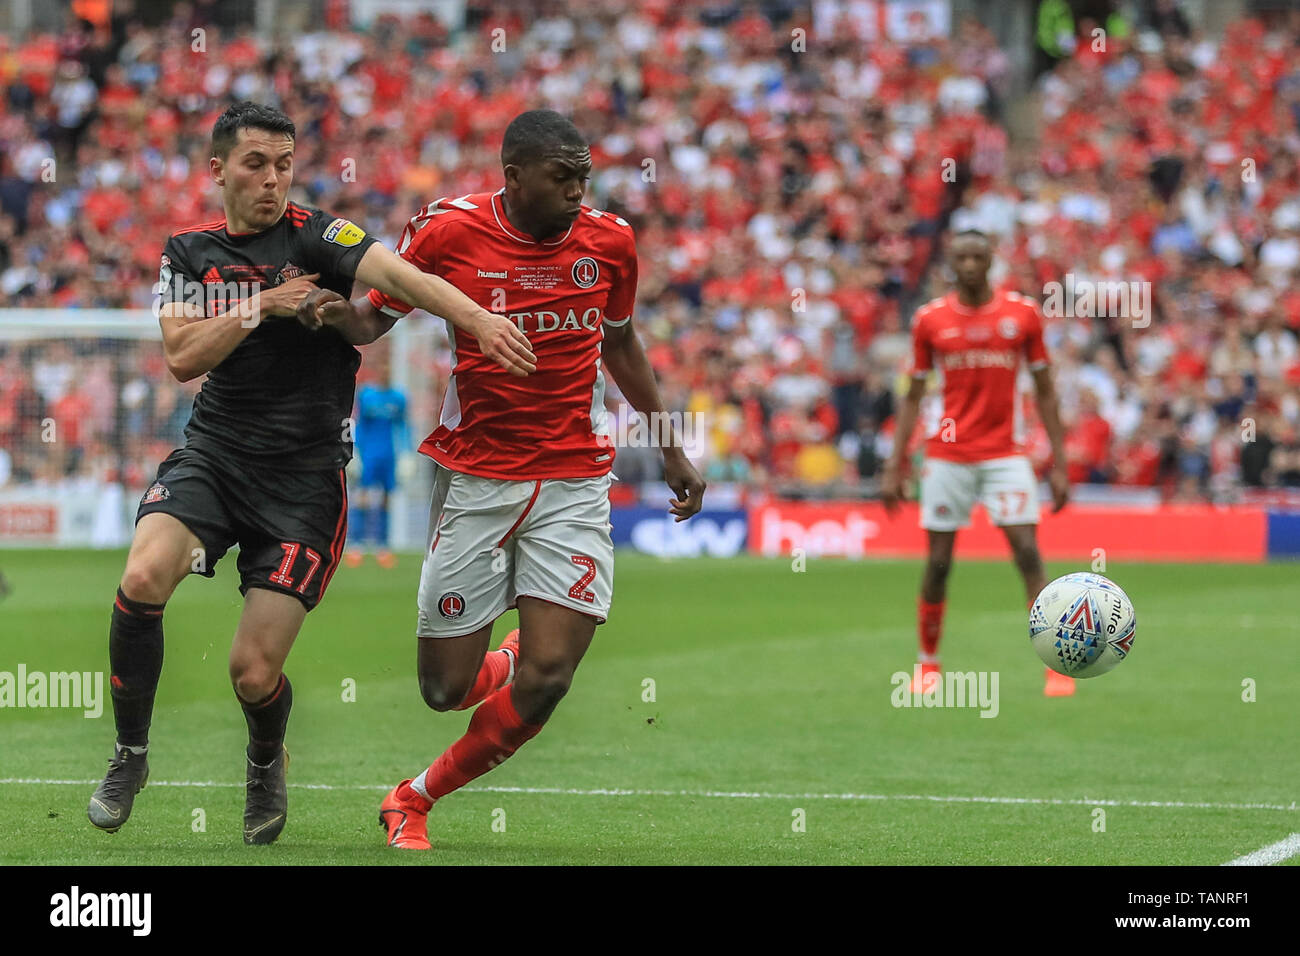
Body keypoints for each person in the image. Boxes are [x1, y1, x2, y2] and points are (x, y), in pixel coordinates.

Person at [87, 101, 535, 845]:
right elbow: (181, 358)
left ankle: (266, 757)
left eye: (284, 164)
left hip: (302, 486)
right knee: (141, 579)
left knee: (252, 675)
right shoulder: (188, 253)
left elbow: (405, 275)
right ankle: (130, 755)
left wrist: (479, 320)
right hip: (215, 460)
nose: (272, 179)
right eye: (256, 164)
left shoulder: (321, 235)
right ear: (219, 170)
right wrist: (265, 303)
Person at [297, 109, 707, 850]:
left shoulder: (609, 242)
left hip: (574, 477)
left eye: (585, 176)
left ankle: (413, 798)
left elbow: (620, 344)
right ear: (513, 177)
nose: (580, 192)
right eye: (563, 178)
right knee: (442, 691)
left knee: (551, 677)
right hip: (477, 479)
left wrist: (669, 443)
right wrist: (327, 315)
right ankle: (508, 652)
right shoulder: (447, 232)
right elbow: (371, 323)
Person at [882, 230, 1073, 697]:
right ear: (950, 263)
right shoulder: (930, 320)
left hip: (1006, 452)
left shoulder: (1022, 315)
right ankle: (928, 664)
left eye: (977, 257)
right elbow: (913, 395)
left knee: (1027, 553)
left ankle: (1056, 664)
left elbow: (1045, 390)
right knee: (940, 562)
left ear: (991, 262)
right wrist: (896, 462)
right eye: (960, 257)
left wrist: (1061, 461)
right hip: (947, 454)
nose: (969, 265)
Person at [346, 346, 410, 568]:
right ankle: (356, 545)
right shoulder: (367, 395)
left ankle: (383, 547)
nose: (385, 374)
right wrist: (356, 452)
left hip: (388, 454)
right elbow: (360, 424)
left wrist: (406, 453)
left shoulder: (399, 397)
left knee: (385, 500)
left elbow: (402, 426)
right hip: (369, 453)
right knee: (362, 498)